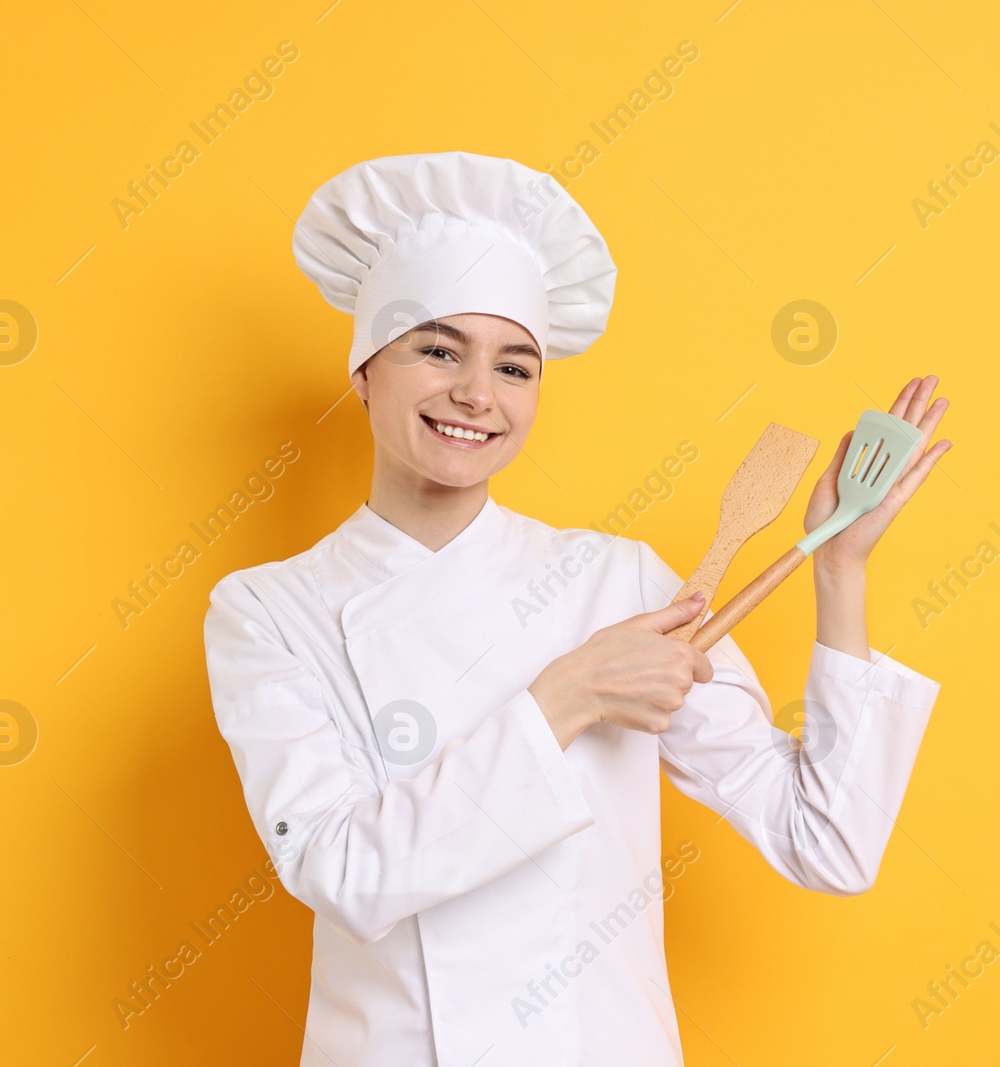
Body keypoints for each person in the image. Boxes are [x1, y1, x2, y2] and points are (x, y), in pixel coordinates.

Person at [202, 150, 953, 1067]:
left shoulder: (619, 582)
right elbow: (346, 873)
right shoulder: (268, 611)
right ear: (364, 368)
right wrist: (571, 695)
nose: (478, 394)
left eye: (515, 367)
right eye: (438, 350)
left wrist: (839, 570)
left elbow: (826, 841)